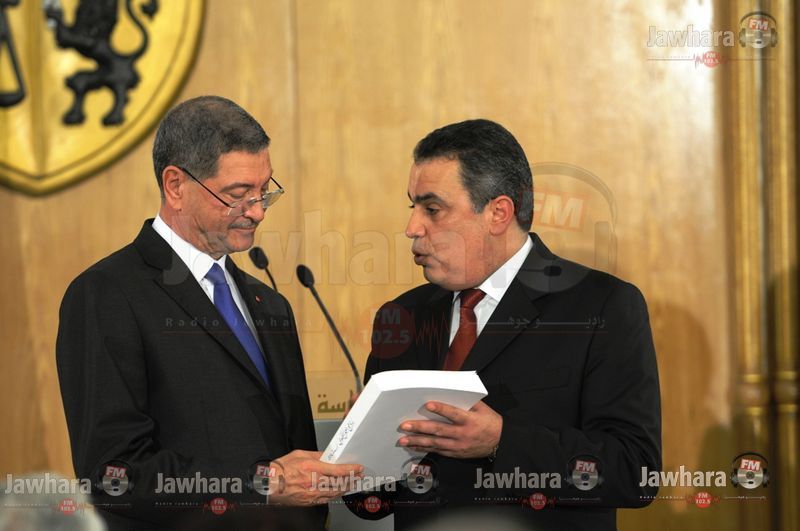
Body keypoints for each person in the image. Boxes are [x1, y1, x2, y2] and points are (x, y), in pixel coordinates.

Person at [56, 96, 362, 531]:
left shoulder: (271, 304)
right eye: (238, 195)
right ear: (175, 186)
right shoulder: (107, 294)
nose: (257, 211)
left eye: (264, 191)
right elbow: (113, 474)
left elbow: (292, 459)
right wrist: (261, 483)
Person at [354, 119, 661, 530]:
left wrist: (502, 441)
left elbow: (634, 472)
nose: (412, 228)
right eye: (413, 208)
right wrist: (361, 448)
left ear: (498, 213)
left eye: (433, 209)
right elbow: (371, 503)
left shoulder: (602, 305)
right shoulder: (402, 315)